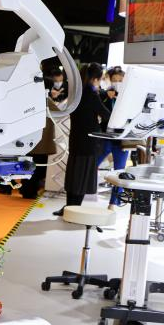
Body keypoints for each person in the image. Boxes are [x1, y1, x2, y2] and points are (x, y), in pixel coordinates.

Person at [56, 62, 111, 215]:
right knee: (82, 176)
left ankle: (68, 207)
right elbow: (106, 114)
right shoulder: (91, 94)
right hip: (88, 141)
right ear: (95, 79)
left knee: (74, 174)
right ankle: (73, 209)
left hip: (76, 138)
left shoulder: (77, 92)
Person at [96, 66, 128, 172]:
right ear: (110, 80)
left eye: (120, 80)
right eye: (114, 80)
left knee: (120, 169)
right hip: (106, 136)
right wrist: (107, 96)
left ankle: (118, 184)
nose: (117, 83)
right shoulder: (105, 94)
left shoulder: (129, 96)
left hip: (122, 137)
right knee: (94, 163)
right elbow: (98, 103)